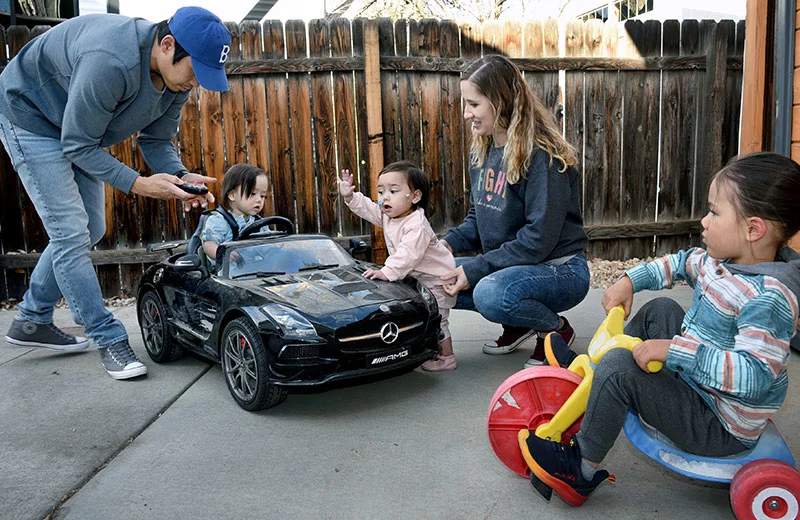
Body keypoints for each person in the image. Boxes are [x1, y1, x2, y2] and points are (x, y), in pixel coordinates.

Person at [519, 152, 800, 507]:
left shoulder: (768, 299)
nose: (704, 221)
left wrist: (673, 351)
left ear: (753, 230)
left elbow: (754, 376)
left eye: (714, 213)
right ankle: (594, 367)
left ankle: (580, 469)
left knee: (620, 369)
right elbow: (679, 263)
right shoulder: (723, 260)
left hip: (717, 421)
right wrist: (629, 281)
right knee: (661, 309)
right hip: (698, 381)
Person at [0, 7, 231, 380]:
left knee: (91, 228)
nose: (196, 83)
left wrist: (179, 175)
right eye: (195, 71)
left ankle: (32, 319)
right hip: (30, 113)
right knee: (70, 233)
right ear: (167, 45)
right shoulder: (110, 60)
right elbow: (77, 145)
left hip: (76, 127)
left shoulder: (176, 82)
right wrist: (140, 183)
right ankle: (108, 337)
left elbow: (156, 139)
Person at [441, 55, 589, 368]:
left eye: (474, 104)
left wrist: (476, 269)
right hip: (515, 267)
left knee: (490, 293)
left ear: (501, 101)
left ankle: (555, 330)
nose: (466, 114)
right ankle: (519, 323)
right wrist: (443, 246)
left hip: (560, 269)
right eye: (466, 104)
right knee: (432, 275)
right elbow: (478, 218)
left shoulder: (543, 157)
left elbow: (538, 240)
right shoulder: (483, 150)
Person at [339, 161, 458, 371]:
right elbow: (369, 209)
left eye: (393, 191)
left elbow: (408, 255)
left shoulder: (416, 225)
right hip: (418, 278)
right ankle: (428, 350)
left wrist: (387, 272)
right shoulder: (389, 215)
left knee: (437, 319)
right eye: (381, 191)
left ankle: (447, 357)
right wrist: (350, 197)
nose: (385, 197)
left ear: (415, 197)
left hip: (439, 280)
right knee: (420, 316)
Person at [201, 164, 268, 267]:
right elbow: (208, 244)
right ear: (232, 195)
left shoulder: (259, 223)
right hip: (227, 272)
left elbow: (270, 244)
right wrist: (223, 254)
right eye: (253, 193)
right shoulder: (219, 221)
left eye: (263, 196)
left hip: (257, 270)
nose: (259, 200)